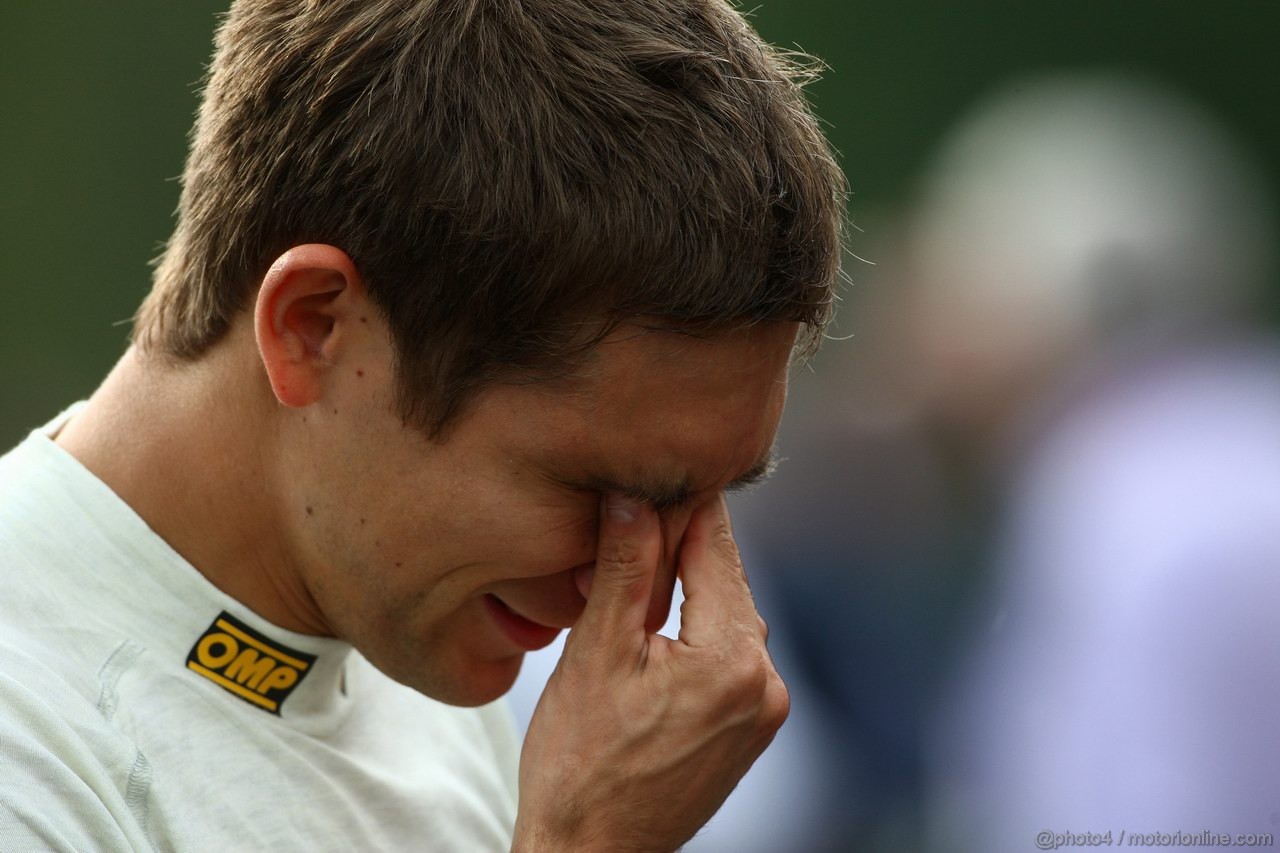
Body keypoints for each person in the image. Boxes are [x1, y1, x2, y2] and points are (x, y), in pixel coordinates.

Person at [0, 1, 845, 850]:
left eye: (701, 506)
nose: (645, 593)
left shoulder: (408, 632)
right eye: (600, 489)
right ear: (313, 327)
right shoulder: (29, 749)